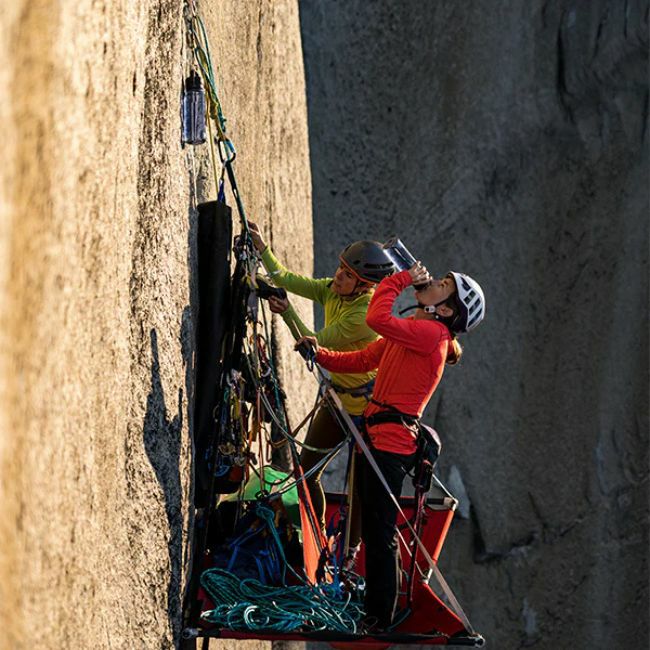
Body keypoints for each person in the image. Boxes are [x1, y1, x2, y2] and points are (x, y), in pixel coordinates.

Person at [296, 261, 485, 630]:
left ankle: (380, 616)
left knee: (379, 531)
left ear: (446, 310)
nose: (434, 281)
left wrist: (400, 279)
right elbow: (365, 359)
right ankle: (380, 609)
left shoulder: (432, 335)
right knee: (376, 527)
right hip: (379, 437)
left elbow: (375, 319)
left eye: (443, 285)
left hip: (390, 445)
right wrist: (319, 355)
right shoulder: (417, 330)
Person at [247, 221, 396, 557]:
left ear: (364, 286)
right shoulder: (333, 290)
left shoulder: (363, 316)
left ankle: (349, 554)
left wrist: (286, 311)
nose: (337, 276)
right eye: (341, 268)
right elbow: (288, 279)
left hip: (367, 413)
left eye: (347, 275)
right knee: (306, 471)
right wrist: (262, 249)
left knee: (358, 492)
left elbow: (315, 345)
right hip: (338, 400)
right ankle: (315, 537)